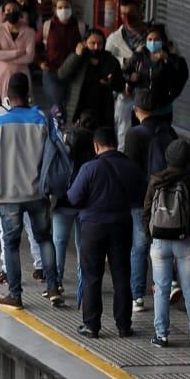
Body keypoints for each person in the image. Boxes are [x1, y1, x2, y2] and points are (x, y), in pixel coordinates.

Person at [0, 73, 55, 308]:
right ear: (29, 94)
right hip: (37, 192)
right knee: (44, 239)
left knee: (11, 244)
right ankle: (53, 287)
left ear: (8, 97)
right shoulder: (42, 120)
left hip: (9, 194)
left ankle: (15, 295)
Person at [68, 125, 147, 337]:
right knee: (122, 274)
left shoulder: (89, 169)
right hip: (122, 224)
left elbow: (74, 198)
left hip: (92, 227)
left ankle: (92, 325)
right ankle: (123, 325)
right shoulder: (130, 167)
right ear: (116, 143)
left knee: (92, 275)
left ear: (96, 146)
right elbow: (141, 193)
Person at [143, 140, 190, 348]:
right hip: (185, 242)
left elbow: (146, 212)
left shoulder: (156, 180)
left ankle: (161, 335)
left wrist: (151, 235)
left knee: (161, 289)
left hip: (160, 242)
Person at [123, 89, 178, 313]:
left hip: (140, 197)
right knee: (164, 240)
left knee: (139, 245)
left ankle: (137, 296)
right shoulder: (169, 131)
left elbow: (129, 168)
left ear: (136, 111)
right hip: (166, 194)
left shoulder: (134, 134)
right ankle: (169, 283)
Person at [53, 112, 97, 304]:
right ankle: (83, 287)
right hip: (85, 205)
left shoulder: (66, 146)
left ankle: (56, 283)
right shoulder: (95, 152)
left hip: (63, 202)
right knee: (82, 247)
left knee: (59, 243)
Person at [57, 29, 123, 128]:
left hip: (102, 112)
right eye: (92, 43)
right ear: (84, 43)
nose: (96, 47)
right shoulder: (79, 58)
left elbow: (120, 86)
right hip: (78, 110)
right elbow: (62, 74)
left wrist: (111, 82)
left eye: (100, 44)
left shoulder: (111, 61)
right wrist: (76, 56)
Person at [121, 24, 189, 120]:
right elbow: (124, 72)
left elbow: (181, 75)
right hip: (140, 110)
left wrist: (168, 60)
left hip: (163, 110)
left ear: (163, 41)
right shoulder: (139, 56)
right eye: (150, 39)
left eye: (156, 39)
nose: (153, 42)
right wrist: (131, 77)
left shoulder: (172, 57)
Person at [105, 0, 147, 149]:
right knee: (123, 130)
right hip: (124, 91)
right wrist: (126, 61)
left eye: (131, 13)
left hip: (146, 90)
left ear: (139, 12)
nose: (127, 18)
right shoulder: (114, 38)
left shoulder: (151, 35)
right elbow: (107, 62)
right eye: (123, 14)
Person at [40, 0, 82, 115]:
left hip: (73, 74)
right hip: (52, 72)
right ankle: (56, 127)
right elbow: (37, 47)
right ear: (55, 9)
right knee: (57, 108)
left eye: (66, 7)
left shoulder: (79, 26)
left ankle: (66, 131)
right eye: (60, 7)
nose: (63, 10)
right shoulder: (48, 26)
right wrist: (40, 62)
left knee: (71, 108)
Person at [0, 0, 36, 98]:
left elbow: (29, 57)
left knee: (22, 104)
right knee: (0, 105)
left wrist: (4, 56)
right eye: (8, 10)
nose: (11, 12)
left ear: (20, 12)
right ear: (4, 13)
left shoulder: (29, 32)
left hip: (21, 75)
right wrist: (17, 53)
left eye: (14, 9)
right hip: (1, 75)